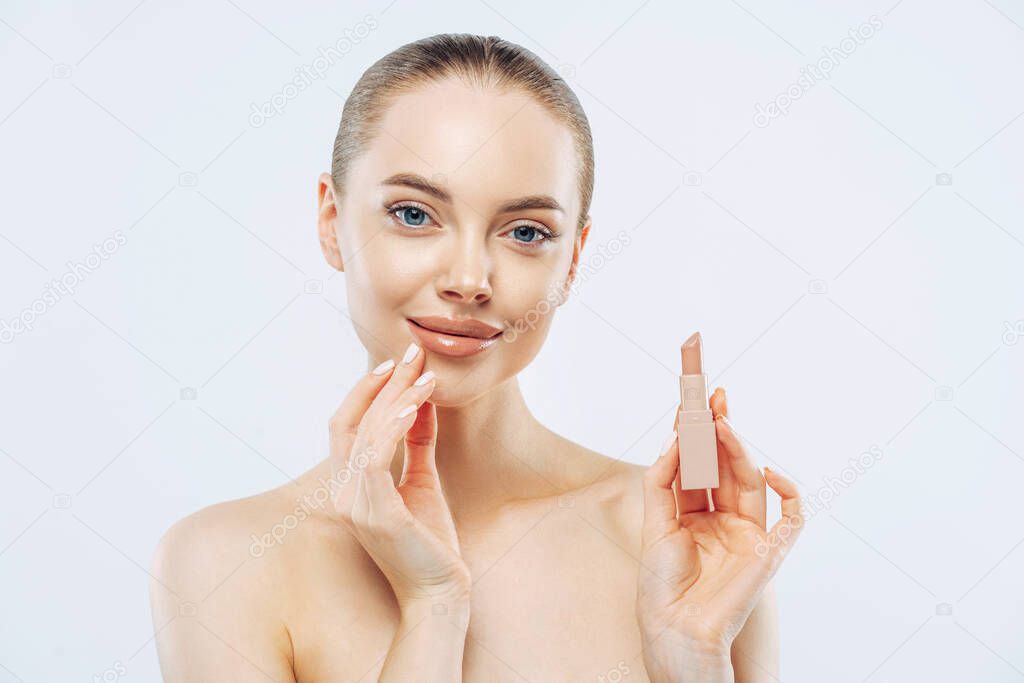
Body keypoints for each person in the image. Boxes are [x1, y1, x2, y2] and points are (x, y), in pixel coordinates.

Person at [150, 32, 803, 682]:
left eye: (525, 232)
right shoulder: (222, 564)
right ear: (331, 219)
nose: (468, 278)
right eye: (414, 214)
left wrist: (691, 658)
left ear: (572, 259)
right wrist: (433, 605)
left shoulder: (687, 546)